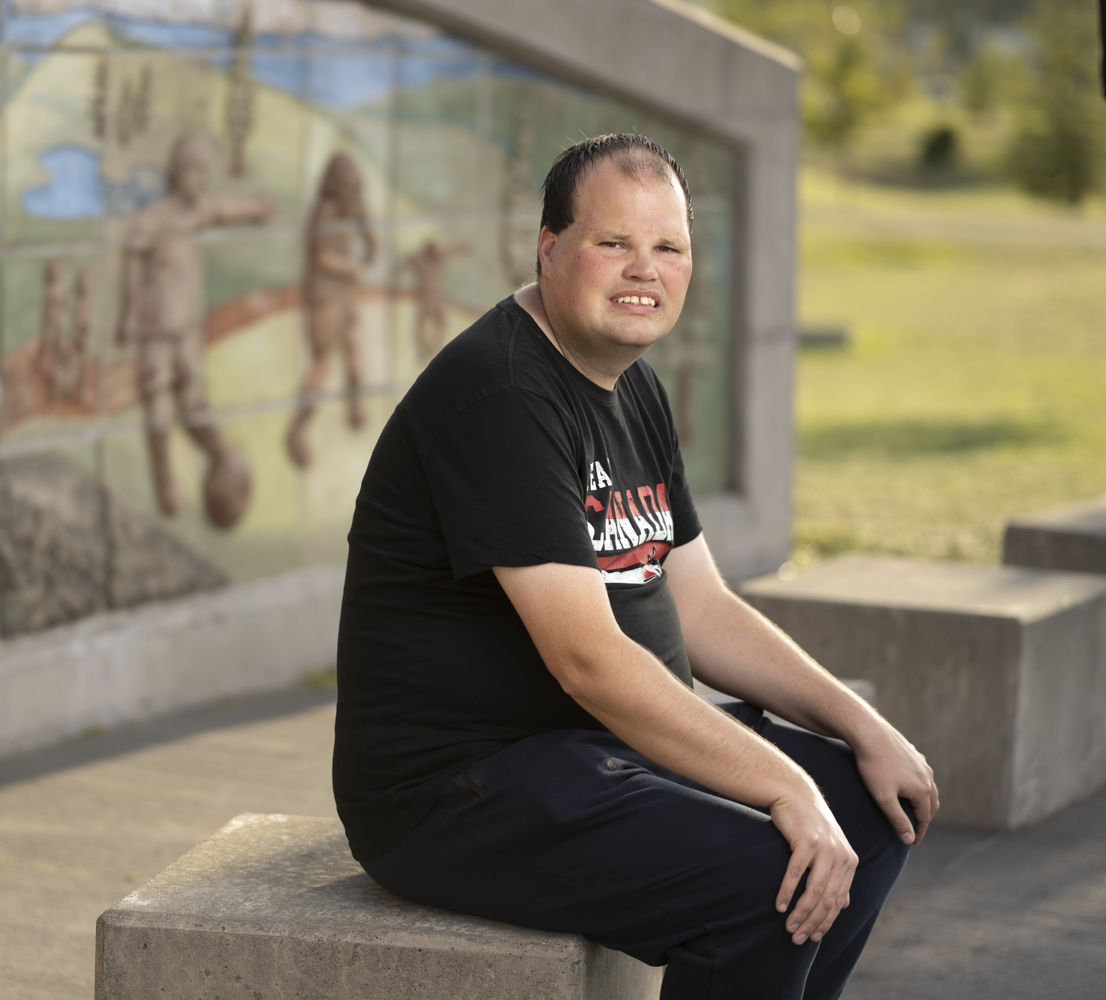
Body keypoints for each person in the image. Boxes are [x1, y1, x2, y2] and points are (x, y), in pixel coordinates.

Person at [333, 134, 939, 1000]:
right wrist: (783, 786)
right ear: (549, 249)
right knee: (768, 873)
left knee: (871, 813)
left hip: (589, 752)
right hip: (458, 790)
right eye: (613, 243)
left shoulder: (628, 380)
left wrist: (860, 727)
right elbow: (587, 660)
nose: (642, 271)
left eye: (669, 248)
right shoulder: (504, 395)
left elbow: (698, 604)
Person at [116, 132, 272, 526]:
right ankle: (165, 477)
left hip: (184, 327)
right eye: (196, 171)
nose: (203, 180)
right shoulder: (156, 218)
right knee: (159, 402)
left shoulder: (196, 211)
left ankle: (218, 457)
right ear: (177, 172)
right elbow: (133, 255)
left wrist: (255, 209)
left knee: (192, 396)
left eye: (206, 171)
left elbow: (221, 207)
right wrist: (129, 313)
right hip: (157, 328)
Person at [285, 151, 376, 469]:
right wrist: (350, 268)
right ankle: (297, 428)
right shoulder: (323, 212)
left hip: (344, 294)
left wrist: (366, 225)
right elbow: (321, 256)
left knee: (353, 347)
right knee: (322, 361)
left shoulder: (351, 207)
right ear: (334, 185)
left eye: (356, 186)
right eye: (348, 186)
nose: (353, 192)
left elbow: (371, 241)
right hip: (324, 296)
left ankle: (355, 405)